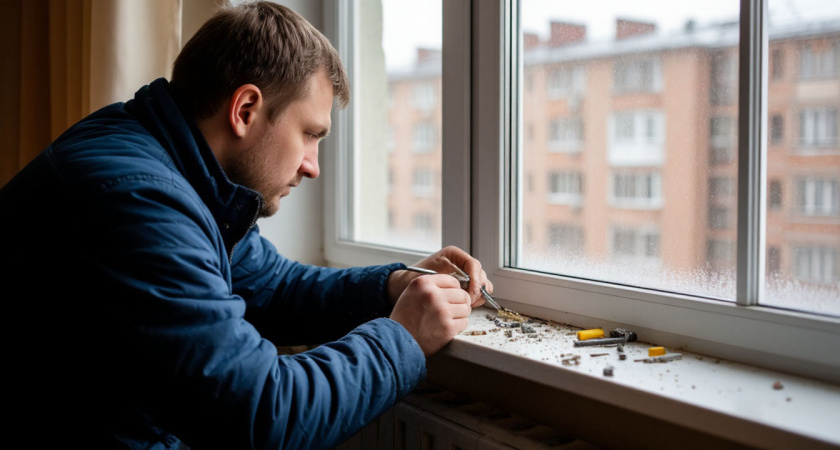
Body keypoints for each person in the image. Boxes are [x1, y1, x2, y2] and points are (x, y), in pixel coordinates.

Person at [0, 2, 492, 449]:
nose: (312, 165)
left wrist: (392, 285)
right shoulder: (137, 199)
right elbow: (261, 413)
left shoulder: (178, 170)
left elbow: (274, 287)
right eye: (309, 134)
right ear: (245, 110)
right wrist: (402, 338)